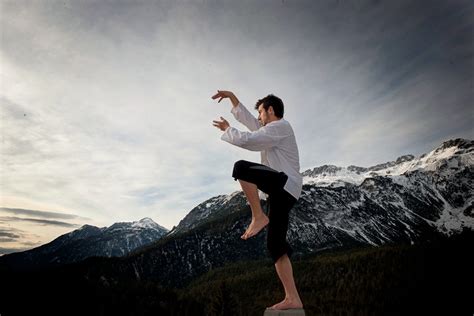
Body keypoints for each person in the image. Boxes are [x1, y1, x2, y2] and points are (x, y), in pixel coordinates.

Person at [211, 90, 304, 310]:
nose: (259, 117)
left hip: (283, 183)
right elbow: (252, 123)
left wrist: (228, 130)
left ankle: (258, 215)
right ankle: (293, 297)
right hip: (285, 192)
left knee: (241, 168)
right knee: (275, 245)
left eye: (261, 112)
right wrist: (233, 99)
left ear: (271, 110)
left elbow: (250, 140)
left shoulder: (281, 127)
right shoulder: (272, 130)